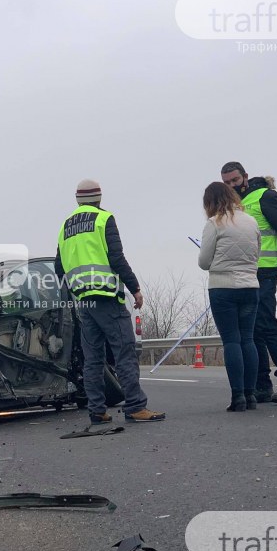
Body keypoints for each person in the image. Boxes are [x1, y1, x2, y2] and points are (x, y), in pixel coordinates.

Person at [54, 179, 165, 425]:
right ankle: (136, 406)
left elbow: (58, 269)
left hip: (84, 302)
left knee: (92, 359)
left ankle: (97, 411)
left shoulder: (65, 227)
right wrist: (134, 287)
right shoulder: (104, 219)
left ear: (77, 200)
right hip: (107, 298)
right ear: (99, 198)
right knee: (124, 351)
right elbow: (116, 257)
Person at [220, 162, 277, 403]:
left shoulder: (265, 197)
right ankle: (262, 385)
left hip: (266, 271)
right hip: (244, 273)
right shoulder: (233, 205)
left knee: (266, 325)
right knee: (251, 330)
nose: (231, 186)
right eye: (226, 183)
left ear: (245, 177)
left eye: (234, 181)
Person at [198, 182, 261, 411]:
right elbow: (257, 253)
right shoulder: (250, 221)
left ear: (210, 203)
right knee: (248, 339)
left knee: (232, 341)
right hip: (251, 286)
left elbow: (204, 262)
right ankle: (251, 395)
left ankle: (237, 398)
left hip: (223, 288)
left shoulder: (214, 223)